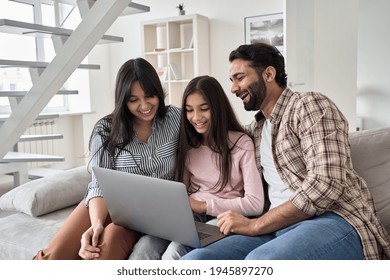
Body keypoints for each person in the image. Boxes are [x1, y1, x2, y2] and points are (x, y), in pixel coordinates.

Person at [181, 43, 390, 260]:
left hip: (332, 220)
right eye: (231, 81)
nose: (233, 88)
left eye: (240, 78)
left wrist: (255, 225)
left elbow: (326, 185)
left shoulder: (309, 106)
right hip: (275, 228)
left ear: (269, 74)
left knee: (260, 263)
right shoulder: (256, 131)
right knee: (195, 261)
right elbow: (217, 137)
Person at [33, 57, 181, 260]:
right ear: (122, 100)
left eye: (149, 96)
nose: (144, 105)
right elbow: (98, 184)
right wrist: (96, 224)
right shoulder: (105, 129)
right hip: (105, 202)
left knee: (106, 245)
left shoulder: (176, 119)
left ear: (158, 92)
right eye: (133, 100)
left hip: (145, 212)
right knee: (54, 256)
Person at [158, 75, 265, 259]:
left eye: (204, 109)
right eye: (189, 110)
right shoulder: (188, 146)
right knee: (148, 246)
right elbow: (182, 192)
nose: (196, 117)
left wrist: (203, 206)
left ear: (217, 108)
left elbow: (255, 204)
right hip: (191, 216)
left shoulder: (241, 143)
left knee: (175, 251)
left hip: (223, 217)